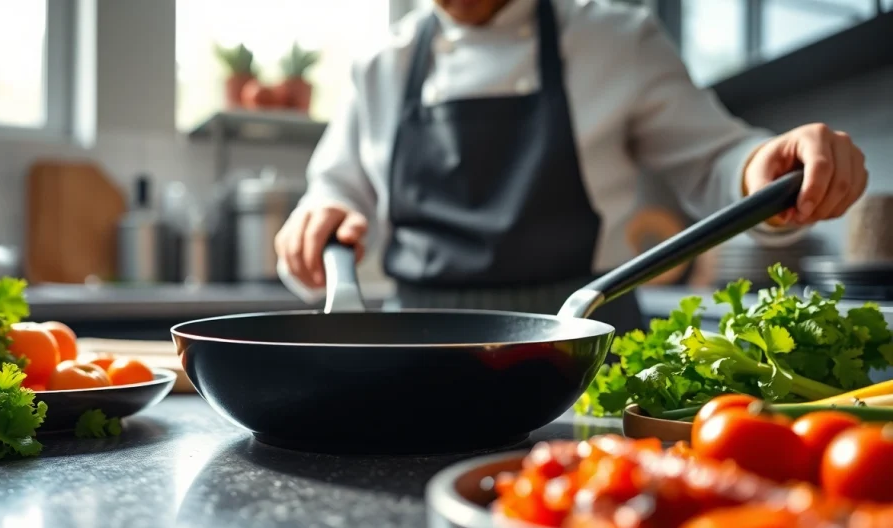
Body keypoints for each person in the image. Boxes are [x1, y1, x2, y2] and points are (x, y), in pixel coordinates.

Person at [274, 0, 868, 332]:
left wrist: (766, 166)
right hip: (422, 352)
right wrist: (315, 230)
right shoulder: (380, 67)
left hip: (585, 346)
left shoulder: (617, 39)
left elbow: (719, 160)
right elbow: (333, 199)